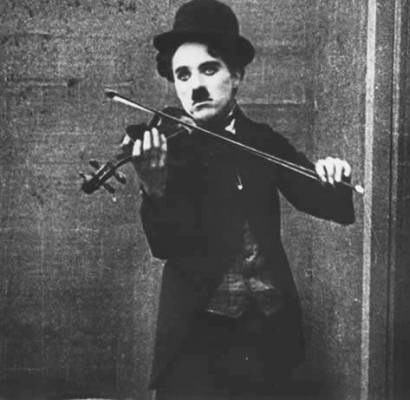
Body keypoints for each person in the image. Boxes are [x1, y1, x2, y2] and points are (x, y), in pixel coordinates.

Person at [125, 0, 355, 398]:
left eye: (208, 69)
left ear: (236, 76)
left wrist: (336, 174)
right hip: (198, 338)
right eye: (182, 75)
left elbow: (322, 201)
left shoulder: (262, 141)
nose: (195, 86)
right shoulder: (169, 153)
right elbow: (166, 245)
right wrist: (154, 186)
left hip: (267, 330)